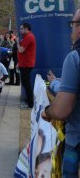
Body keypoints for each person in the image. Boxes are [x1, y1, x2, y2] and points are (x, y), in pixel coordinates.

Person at [41, 9, 80, 177]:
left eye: (72, 24)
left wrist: (47, 112)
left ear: (78, 27)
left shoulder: (75, 57)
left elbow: (62, 109)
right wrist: (58, 82)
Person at [17, 22, 36, 109]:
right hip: (23, 63)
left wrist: (17, 43)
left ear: (26, 28)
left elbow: (21, 50)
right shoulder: (25, 37)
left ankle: (30, 104)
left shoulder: (29, 37)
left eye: (21, 28)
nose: (20, 30)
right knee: (25, 83)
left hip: (27, 64)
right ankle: (29, 103)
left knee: (26, 84)